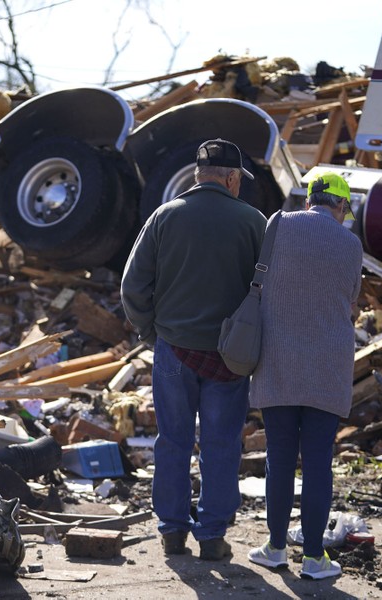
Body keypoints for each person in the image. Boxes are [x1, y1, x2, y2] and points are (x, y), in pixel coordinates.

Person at [121, 139, 267, 560]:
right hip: (229, 357)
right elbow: (268, 294)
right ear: (233, 178)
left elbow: (133, 287)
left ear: (198, 175)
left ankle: (171, 531)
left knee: (173, 441)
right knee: (221, 445)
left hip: (173, 349)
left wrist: (152, 332)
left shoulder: (165, 216)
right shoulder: (253, 221)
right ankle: (212, 537)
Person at [246, 172, 363, 579]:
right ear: (342, 207)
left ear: (309, 198)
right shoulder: (351, 244)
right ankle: (314, 558)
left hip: (276, 362)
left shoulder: (276, 224)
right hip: (327, 368)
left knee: (279, 459)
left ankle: (275, 548)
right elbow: (351, 301)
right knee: (317, 464)